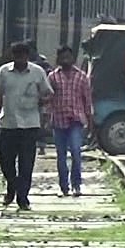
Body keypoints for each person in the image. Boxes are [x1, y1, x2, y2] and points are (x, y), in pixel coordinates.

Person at [0, 41, 53, 210]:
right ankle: (12, 185)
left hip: (30, 125)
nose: (20, 60)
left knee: (26, 163)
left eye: (22, 56)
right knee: (5, 161)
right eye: (16, 56)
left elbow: (49, 93)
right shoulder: (4, 72)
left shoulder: (37, 73)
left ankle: (23, 198)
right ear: (13, 56)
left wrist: (41, 102)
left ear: (27, 57)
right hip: (8, 123)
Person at [48, 45, 93, 197]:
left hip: (76, 120)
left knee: (75, 151)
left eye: (68, 56)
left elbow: (87, 101)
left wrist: (90, 122)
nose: (66, 59)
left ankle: (76, 184)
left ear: (73, 58)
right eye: (62, 57)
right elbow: (49, 99)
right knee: (61, 155)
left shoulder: (82, 77)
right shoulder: (52, 77)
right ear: (58, 59)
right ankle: (63, 186)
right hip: (58, 120)